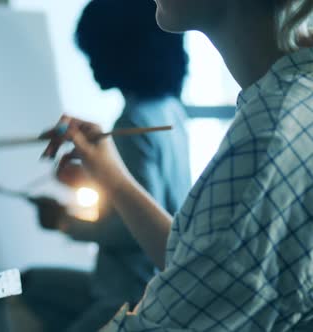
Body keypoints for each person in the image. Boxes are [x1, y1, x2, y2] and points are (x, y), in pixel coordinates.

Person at [42, 0, 313, 330]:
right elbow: (204, 262)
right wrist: (109, 173)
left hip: (127, 292)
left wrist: (67, 223)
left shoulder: (268, 136)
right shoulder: (290, 101)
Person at [20, 1, 191, 331]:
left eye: (96, 50)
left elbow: (132, 230)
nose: (92, 64)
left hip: (131, 293)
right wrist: (92, 180)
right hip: (140, 282)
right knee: (32, 284)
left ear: (123, 48)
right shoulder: (170, 111)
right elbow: (151, 196)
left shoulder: (132, 122)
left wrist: (65, 222)